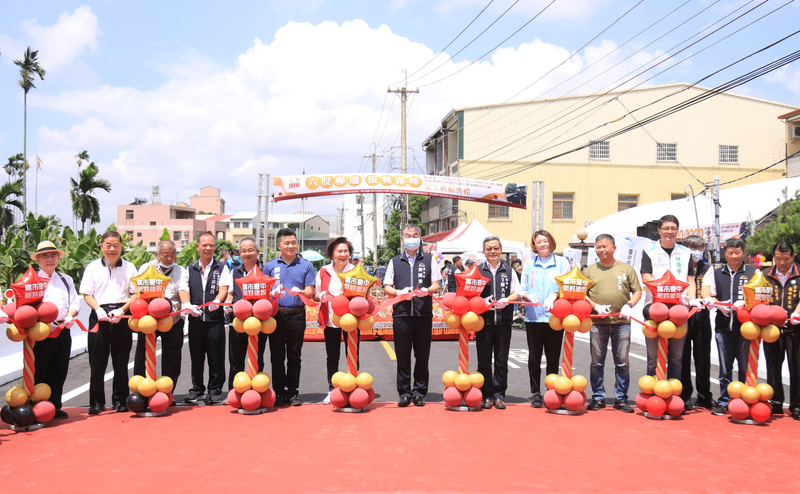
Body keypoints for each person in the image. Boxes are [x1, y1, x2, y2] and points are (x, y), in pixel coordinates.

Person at [79, 230, 138, 414]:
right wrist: (97, 310)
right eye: (108, 245)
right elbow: (87, 293)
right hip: (99, 314)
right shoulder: (92, 267)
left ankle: (120, 400)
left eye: (116, 245)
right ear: (101, 246)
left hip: (121, 314)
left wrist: (122, 309)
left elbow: (136, 293)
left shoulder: (129, 267)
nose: (112, 249)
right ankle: (96, 402)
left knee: (121, 361)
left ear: (121, 247)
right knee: (97, 362)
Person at [384, 223, 441, 407]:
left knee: (422, 355)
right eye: (408, 235)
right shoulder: (394, 261)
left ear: (420, 237)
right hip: (401, 315)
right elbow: (387, 288)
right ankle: (404, 392)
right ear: (402, 239)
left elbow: (436, 285)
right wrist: (399, 292)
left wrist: (426, 290)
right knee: (402, 355)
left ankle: (419, 392)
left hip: (423, 313)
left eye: (415, 234)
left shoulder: (430, 259)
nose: (411, 238)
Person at [583, 234, 642, 412]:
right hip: (597, 322)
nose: (601, 250)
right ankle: (598, 397)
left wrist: (629, 305)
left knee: (622, 362)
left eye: (605, 246)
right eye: (598, 247)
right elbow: (581, 294)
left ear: (614, 248)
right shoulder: (590, 271)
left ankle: (621, 398)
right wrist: (595, 306)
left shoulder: (626, 268)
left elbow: (637, 291)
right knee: (596, 362)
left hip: (621, 322)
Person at [701, 237, 757, 416]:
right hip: (723, 327)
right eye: (730, 253)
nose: (733, 256)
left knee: (744, 366)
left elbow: (761, 297)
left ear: (743, 253)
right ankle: (725, 400)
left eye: (737, 252)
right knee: (725, 368)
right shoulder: (717, 273)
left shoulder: (753, 272)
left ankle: (744, 400)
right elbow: (710, 294)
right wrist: (716, 303)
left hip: (746, 328)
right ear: (725, 254)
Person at [264, 228, 316, 406]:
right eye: (287, 243)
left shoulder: (306, 266)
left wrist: (300, 292)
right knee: (277, 356)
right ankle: (278, 392)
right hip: (276, 316)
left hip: (297, 315)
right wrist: (271, 293)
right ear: (279, 245)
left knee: (294, 355)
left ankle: (293, 392)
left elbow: (310, 291)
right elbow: (265, 292)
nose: (291, 246)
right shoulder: (270, 266)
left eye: (293, 242)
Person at [179, 231, 231, 404]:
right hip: (195, 320)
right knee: (196, 357)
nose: (208, 248)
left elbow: (224, 287)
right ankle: (197, 389)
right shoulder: (190, 268)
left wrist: (217, 300)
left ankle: (215, 389)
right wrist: (187, 305)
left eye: (211, 245)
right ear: (198, 247)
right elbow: (184, 289)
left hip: (214, 319)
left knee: (216, 357)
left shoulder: (221, 267)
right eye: (204, 245)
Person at [641, 215, 695, 380]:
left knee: (676, 358)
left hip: (679, 310)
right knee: (653, 357)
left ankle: (673, 395)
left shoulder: (686, 253)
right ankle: (652, 394)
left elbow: (690, 279)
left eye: (673, 228)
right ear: (659, 231)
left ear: (677, 231)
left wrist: (692, 299)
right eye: (666, 228)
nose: (669, 232)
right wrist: (666, 286)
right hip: (655, 309)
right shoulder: (649, 252)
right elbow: (646, 277)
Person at [31, 241, 80, 418]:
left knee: (60, 367)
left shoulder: (66, 279)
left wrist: (70, 316)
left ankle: (54, 406)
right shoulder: (31, 280)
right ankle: (37, 406)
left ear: (58, 258)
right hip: (41, 330)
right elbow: (27, 307)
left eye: (53, 255)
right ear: (38, 259)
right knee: (39, 369)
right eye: (45, 256)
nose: (50, 259)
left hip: (63, 328)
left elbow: (75, 302)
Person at [520, 230, 569, 408]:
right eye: (538, 242)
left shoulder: (562, 263)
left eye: (545, 241)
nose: (542, 244)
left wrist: (556, 294)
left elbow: (567, 286)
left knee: (553, 357)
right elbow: (521, 288)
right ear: (534, 245)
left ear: (551, 242)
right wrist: (527, 296)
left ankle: (551, 391)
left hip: (554, 317)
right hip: (533, 318)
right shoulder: (529, 264)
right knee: (534, 358)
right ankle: (535, 393)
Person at [476, 236, 522, 409]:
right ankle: (486, 395)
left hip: (504, 321)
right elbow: (471, 294)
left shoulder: (509, 271)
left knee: (502, 360)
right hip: (483, 323)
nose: (493, 251)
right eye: (489, 248)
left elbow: (517, 293)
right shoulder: (477, 271)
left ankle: (499, 395)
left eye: (496, 248)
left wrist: (506, 300)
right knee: (484, 360)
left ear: (501, 250)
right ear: (484, 251)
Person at [133, 240, 184, 393]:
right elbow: (138, 292)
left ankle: (167, 391)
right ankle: (142, 390)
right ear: (157, 255)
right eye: (165, 255)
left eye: (173, 254)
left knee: (172, 356)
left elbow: (183, 289)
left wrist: (186, 304)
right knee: (143, 352)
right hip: (149, 320)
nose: (169, 258)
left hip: (172, 320)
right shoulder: (145, 268)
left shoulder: (180, 270)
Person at [314, 237, 357, 404]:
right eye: (339, 251)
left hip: (351, 319)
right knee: (332, 356)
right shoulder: (324, 271)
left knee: (352, 354)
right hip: (331, 319)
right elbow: (316, 294)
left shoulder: (356, 270)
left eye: (346, 251)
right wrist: (322, 296)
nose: (343, 254)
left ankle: (353, 386)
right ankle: (332, 389)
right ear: (332, 254)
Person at [224, 236, 269, 393]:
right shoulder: (235, 272)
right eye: (244, 251)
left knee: (257, 357)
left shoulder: (265, 270)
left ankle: (257, 390)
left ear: (257, 252)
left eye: (250, 250)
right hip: (238, 322)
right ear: (239, 254)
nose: (247, 253)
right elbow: (230, 294)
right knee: (235, 358)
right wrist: (227, 305)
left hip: (259, 323)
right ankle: (234, 391)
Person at [762, 240, 800, 419]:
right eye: (778, 258)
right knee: (773, 366)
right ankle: (776, 402)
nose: (782, 263)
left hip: (795, 329)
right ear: (773, 257)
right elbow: (759, 299)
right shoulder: (764, 275)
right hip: (772, 329)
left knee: (797, 367)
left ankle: (797, 405)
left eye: (786, 258)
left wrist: (796, 314)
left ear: (793, 256)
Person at [681, 235, 716, 411]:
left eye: (699, 248)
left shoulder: (707, 268)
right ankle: (685, 395)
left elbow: (711, 290)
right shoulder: (680, 267)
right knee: (684, 357)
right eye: (692, 248)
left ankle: (704, 395)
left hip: (702, 319)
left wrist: (710, 298)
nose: (696, 252)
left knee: (703, 359)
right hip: (683, 319)